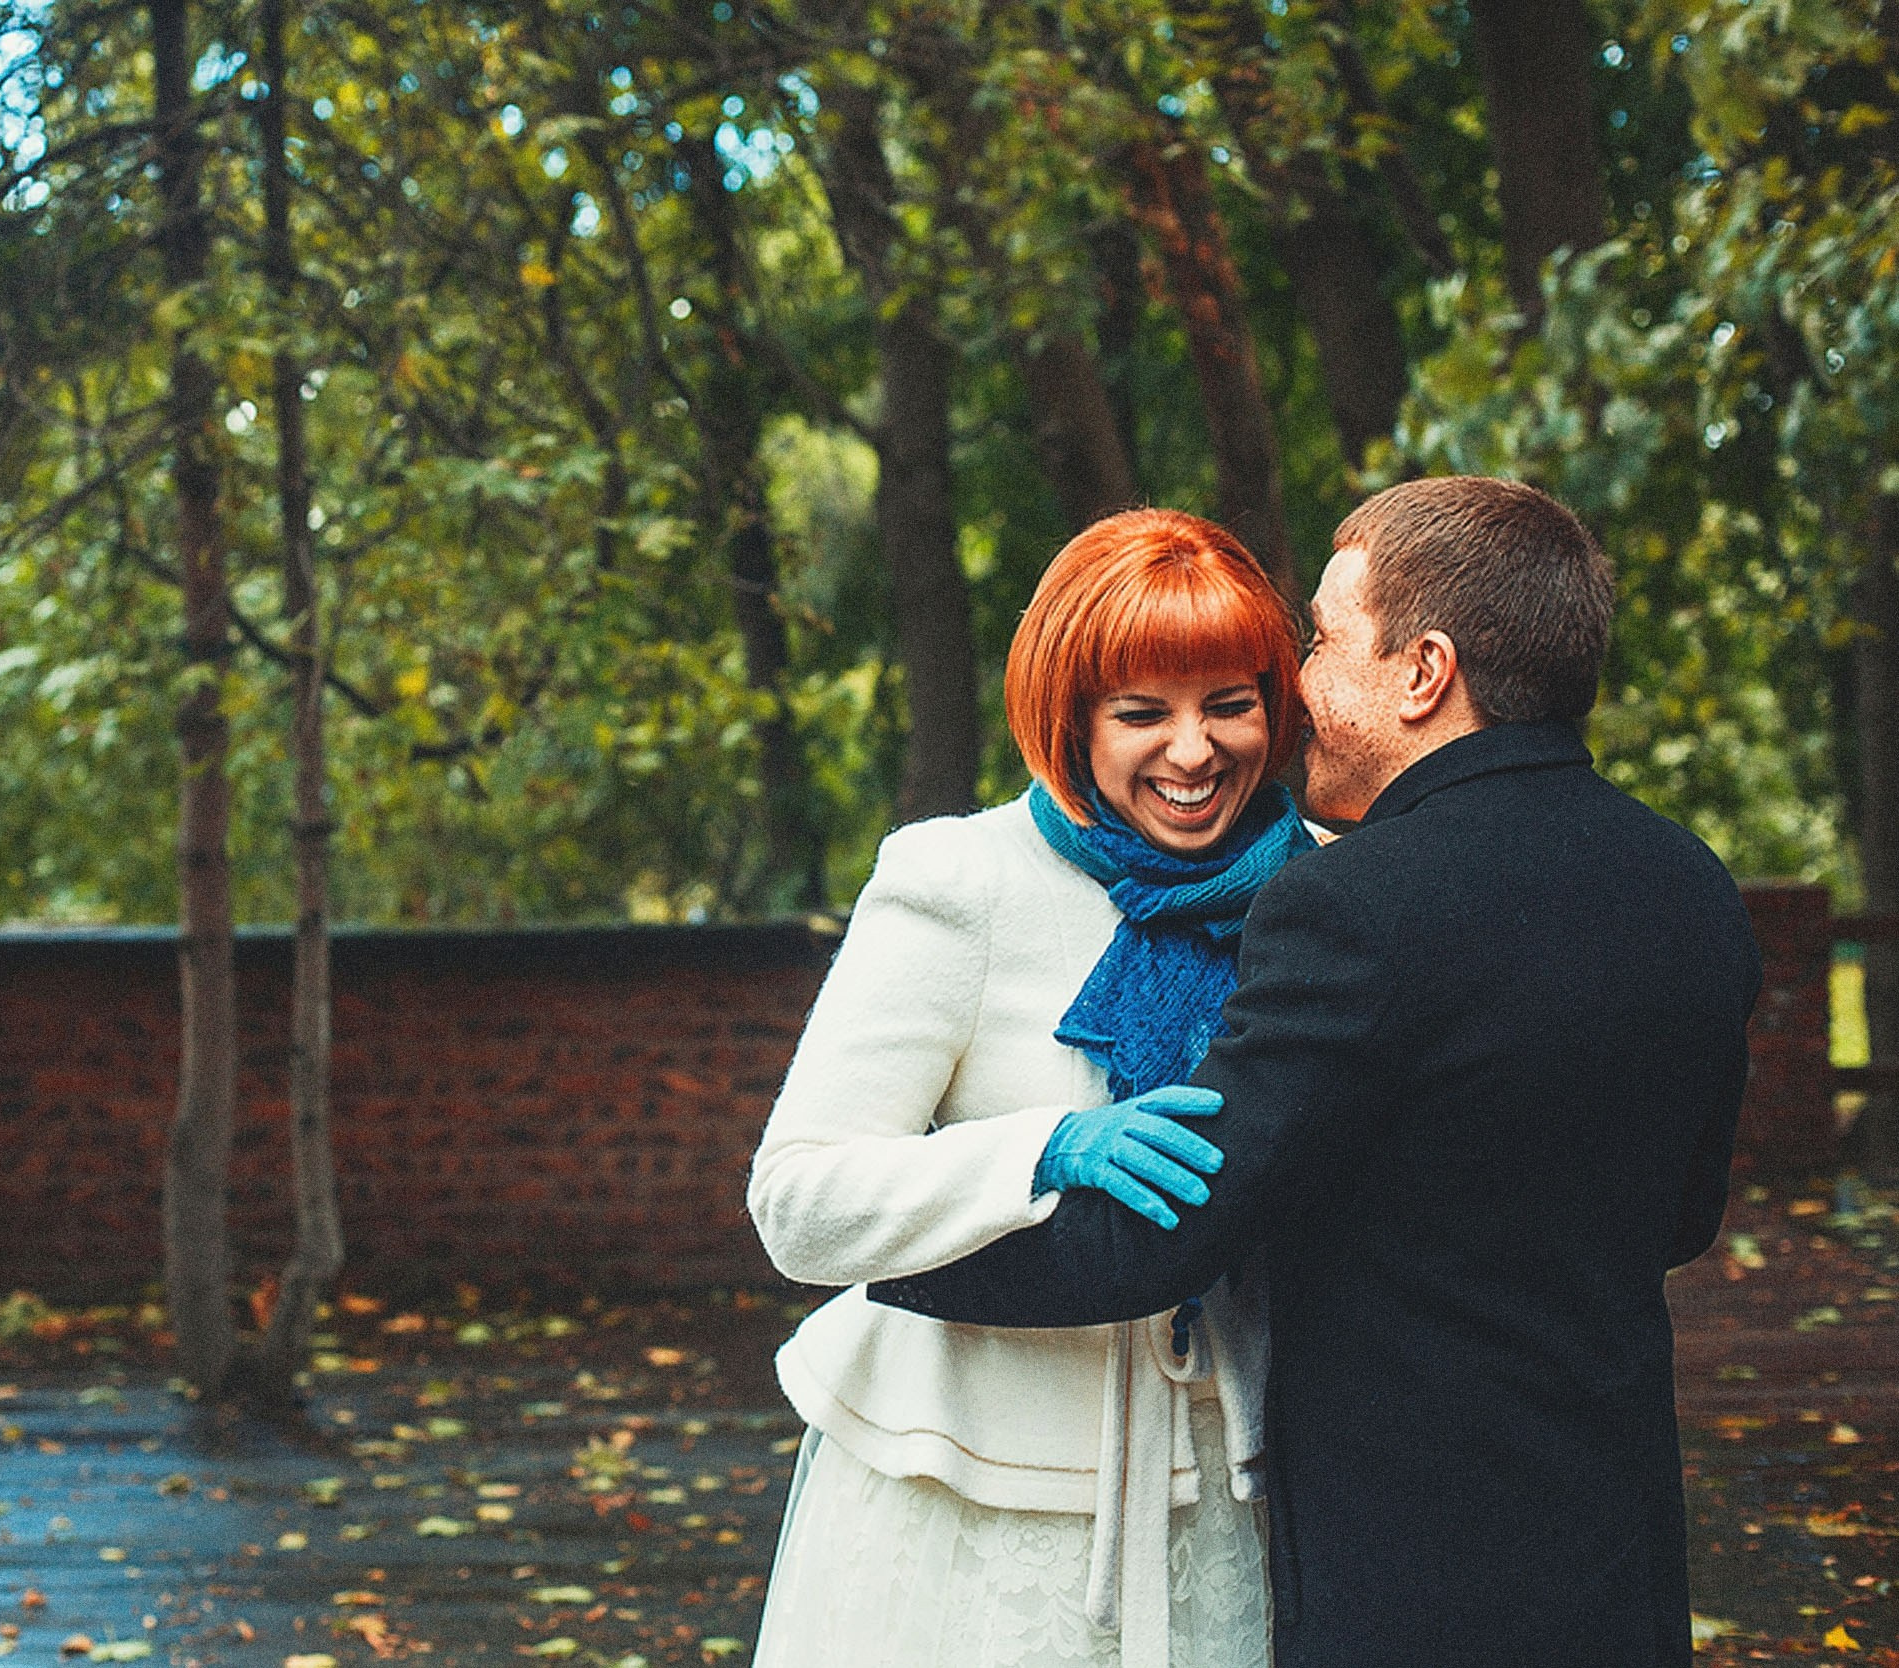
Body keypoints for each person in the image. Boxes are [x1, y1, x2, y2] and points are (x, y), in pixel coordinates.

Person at [873, 477, 1763, 1668]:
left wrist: (888, 1264)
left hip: (1409, 1554)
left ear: (1422, 671)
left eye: (1326, 641)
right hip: (1614, 1533)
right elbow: (1682, 1217)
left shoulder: (1352, 906)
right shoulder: (1689, 888)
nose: (1297, 684)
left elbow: (1170, 1234)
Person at [744, 507, 1312, 1668]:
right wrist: (1045, 1150)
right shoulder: (959, 881)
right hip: (971, 1512)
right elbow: (798, 1206)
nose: (1193, 752)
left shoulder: (1327, 890)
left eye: (1228, 704)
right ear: (1070, 719)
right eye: (1141, 713)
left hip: (1228, 1501)